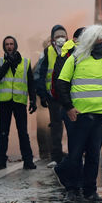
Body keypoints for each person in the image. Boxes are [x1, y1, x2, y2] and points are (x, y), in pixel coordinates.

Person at [54, 25, 102, 202]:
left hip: (99, 117)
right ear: (92, 41)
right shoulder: (75, 59)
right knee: (75, 155)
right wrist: (69, 107)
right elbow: (61, 84)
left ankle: (90, 191)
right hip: (79, 116)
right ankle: (72, 189)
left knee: (93, 155)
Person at [0, 35, 37, 170]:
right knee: (3, 132)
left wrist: (33, 100)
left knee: (23, 132)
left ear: (15, 46)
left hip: (19, 101)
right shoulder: (0, 61)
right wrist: (7, 63)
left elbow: (30, 83)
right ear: (4, 47)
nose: (9, 47)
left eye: (11, 44)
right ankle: (0, 161)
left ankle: (28, 161)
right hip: (5, 102)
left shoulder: (25, 62)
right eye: (7, 44)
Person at [36, 24, 69, 167]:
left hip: (69, 96)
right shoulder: (46, 52)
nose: (60, 39)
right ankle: (56, 156)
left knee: (72, 125)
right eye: (57, 36)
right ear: (52, 39)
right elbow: (39, 74)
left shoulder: (73, 51)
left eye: (63, 36)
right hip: (53, 96)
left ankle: (74, 155)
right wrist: (42, 95)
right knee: (56, 127)